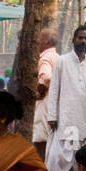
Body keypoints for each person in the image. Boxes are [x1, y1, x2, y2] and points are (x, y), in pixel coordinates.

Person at [45, 26, 86, 171]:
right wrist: (52, 115)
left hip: (83, 120)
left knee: (79, 157)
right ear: (73, 40)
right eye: (80, 38)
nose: (83, 41)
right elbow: (54, 89)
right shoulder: (62, 61)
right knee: (59, 157)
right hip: (65, 119)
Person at [32, 30, 59, 161]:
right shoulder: (58, 57)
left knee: (40, 141)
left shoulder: (45, 58)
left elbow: (46, 77)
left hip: (45, 104)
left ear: (47, 41)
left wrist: (40, 88)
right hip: (54, 104)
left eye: (40, 39)